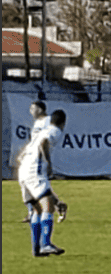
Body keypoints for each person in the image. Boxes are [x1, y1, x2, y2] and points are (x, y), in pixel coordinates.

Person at [17, 109, 68, 257]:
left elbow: (21, 156)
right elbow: (44, 143)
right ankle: (45, 244)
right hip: (34, 171)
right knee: (47, 207)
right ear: (63, 122)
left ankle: (36, 248)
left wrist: (57, 200)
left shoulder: (40, 132)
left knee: (37, 209)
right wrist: (48, 162)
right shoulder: (55, 131)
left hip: (24, 172)